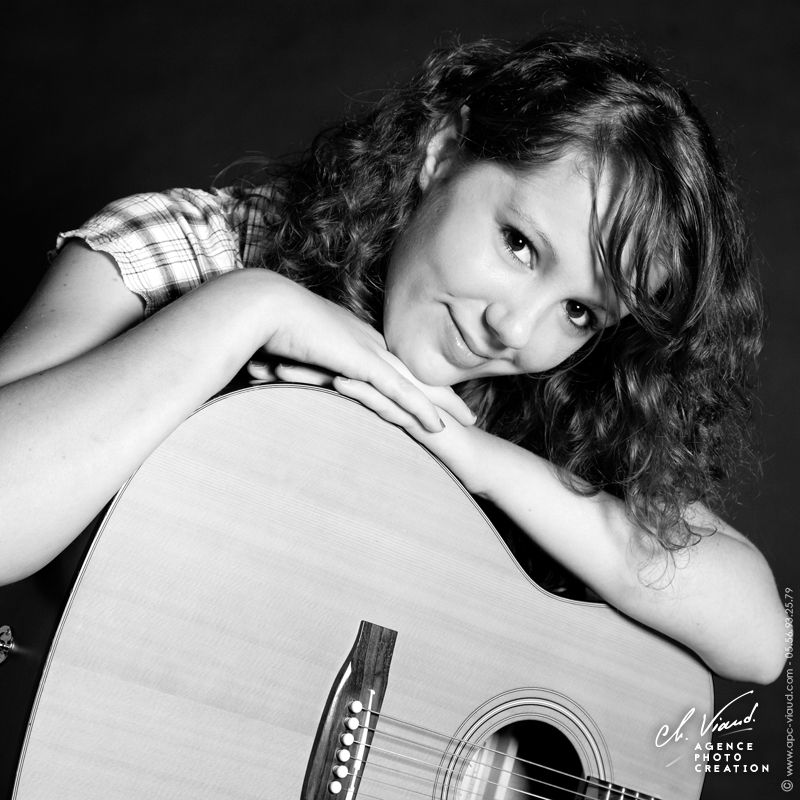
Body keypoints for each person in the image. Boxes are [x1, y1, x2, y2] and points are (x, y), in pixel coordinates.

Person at [0, 29, 786, 684]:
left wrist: (469, 455)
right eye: (519, 245)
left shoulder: (546, 407)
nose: (514, 329)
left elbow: (759, 639)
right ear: (441, 157)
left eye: (580, 311)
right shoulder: (188, 249)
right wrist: (247, 309)